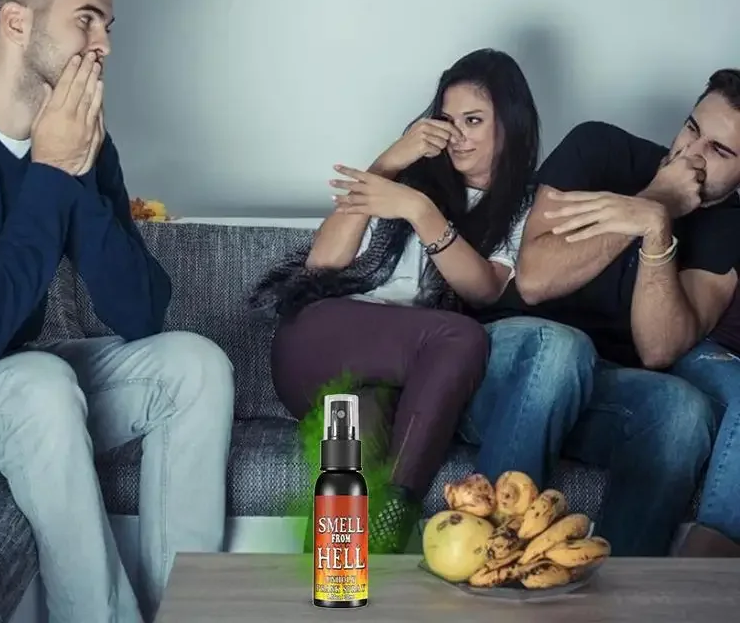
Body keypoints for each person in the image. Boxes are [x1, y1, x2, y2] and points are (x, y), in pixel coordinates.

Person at [0, 0, 235, 623]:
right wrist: (49, 173)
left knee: (195, 365)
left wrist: (76, 172)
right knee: (38, 382)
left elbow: (141, 313)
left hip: (9, 384)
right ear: (17, 22)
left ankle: (187, 612)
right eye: (87, 20)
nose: (104, 44)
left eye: (108, 25)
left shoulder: (79, 139)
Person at [251, 48, 597, 553]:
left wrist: (421, 213)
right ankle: (401, 511)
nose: (457, 135)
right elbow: (323, 262)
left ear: (511, 124)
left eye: (473, 121)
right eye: (447, 120)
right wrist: (388, 164)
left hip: (392, 373)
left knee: (360, 425)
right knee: (460, 336)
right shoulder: (407, 179)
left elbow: (484, 287)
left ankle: (339, 569)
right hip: (318, 340)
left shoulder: (524, 206)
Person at [497, 68, 740, 557]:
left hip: (603, 389)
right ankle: (493, 552)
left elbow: (658, 350)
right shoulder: (599, 148)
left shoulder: (728, 226)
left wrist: (656, 227)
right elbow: (535, 280)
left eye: (719, 150)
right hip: (516, 361)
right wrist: (653, 199)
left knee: (683, 412)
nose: (691, 153)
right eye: (692, 128)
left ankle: (627, 589)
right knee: (563, 348)